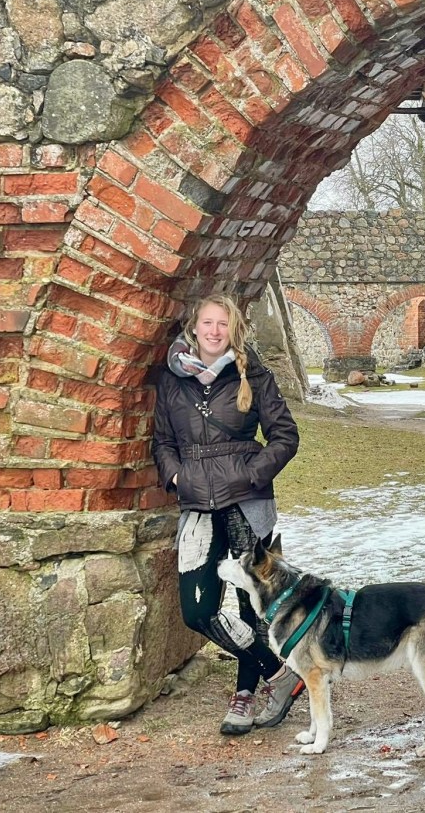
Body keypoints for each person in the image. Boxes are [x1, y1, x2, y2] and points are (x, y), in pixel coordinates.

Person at [152, 293, 305, 735]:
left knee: (251, 606)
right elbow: (162, 442)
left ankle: (244, 695)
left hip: (248, 504)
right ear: (194, 328)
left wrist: (250, 475)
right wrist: (177, 478)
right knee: (196, 610)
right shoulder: (172, 379)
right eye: (207, 323)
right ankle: (278, 674)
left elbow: (285, 436)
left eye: (223, 324)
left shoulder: (252, 373)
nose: (215, 332)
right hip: (197, 503)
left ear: (232, 329)